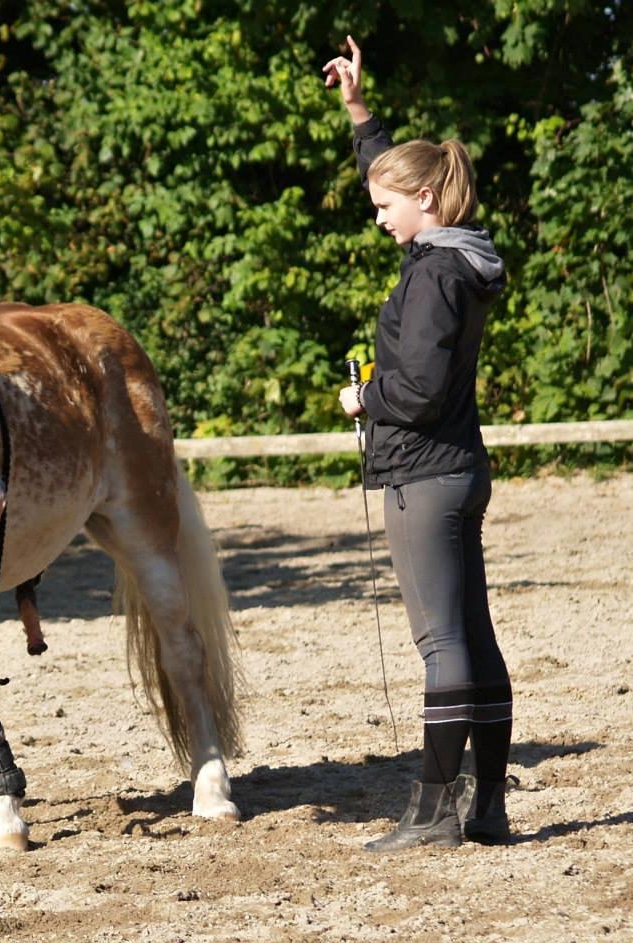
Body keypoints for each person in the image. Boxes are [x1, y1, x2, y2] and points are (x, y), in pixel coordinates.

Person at [323, 36, 514, 851]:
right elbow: (394, 172)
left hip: (424, 474)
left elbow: (423, 391)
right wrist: (360, 113)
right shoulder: (457, 255)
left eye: (385, 206)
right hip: (461, 469)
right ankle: (489, 809)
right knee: (474, 636)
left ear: (428, 198)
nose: (378, 217)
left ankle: (435, 814)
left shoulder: (433, 274)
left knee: (442, 642)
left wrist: (363, 397)